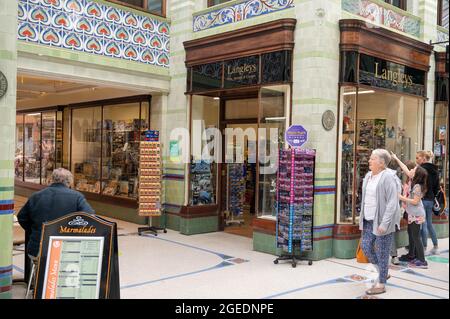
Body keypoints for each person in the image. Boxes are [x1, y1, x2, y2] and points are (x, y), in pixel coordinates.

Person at [18, 168, 95, 258]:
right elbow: (90, 217)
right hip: (66, 249)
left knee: (38, 266)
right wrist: (74, 231)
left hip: (38, 248)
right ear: (69, 181)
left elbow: (22, 217)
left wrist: (35, 229)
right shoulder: (77, 197)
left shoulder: (36, 196)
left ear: (52, 180)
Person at [360, 149, 400, 295]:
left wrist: (384, 223)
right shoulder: (368, 176)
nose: (369, 160)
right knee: (366, 246)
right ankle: (382, 271)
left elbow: (392, 203)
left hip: (383, 221)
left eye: (373, 159)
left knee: (383, 252)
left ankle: (381, 283)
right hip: (368, 219)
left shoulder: (388, 177)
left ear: (382, 163)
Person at [392, 151, 440, 255]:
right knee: (427, 225)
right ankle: (431, 247)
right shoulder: (433, 171)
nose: (416, 160)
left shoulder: (419, 176)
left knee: (418, 230)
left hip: (418, 205)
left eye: (418, 158)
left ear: (423, 158)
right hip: (428, 200)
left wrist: (402, 198)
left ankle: (421, 251)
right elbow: (437, 187)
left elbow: (415, 200)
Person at [398, 165, 429, 269]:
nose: (411, 171)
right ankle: (418, 258)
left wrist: (402, 198)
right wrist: (396, 158)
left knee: (416, 237)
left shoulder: (417, 186)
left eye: (414, 170)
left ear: (417, 175)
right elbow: (406, 170)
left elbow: (415, 201)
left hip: (416, 215)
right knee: (413, 235)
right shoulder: (416, 184)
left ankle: (422, 261)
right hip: (413, 214)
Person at [386, 160, 403, 265]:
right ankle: (393, 255)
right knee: (391, 232)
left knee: (389, 232)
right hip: (393, 209)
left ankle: (393, 255)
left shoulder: (388, 178)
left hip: (388, 209)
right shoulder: (396, 178)